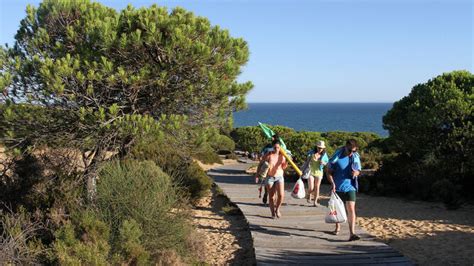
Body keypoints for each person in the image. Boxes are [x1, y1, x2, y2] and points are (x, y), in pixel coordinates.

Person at [326, 139, 362, 241]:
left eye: (354, 151)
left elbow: (358, 170)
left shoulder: (355, 157)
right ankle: (337, 227)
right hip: (337, 187)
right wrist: (332, 183)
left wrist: (356, 173)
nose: (351, 153)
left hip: (350, 187)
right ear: (345, 147)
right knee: (337, 209)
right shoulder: (337, 157)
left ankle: (352, 233)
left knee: (351, 209)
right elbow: (328, 172)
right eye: (350, 150)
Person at [263, 139, 288, 218]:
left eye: (278, 147)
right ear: (272, 147)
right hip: (270, 177)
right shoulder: (269, 154)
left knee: (281, 195)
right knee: (271, 196)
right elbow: (262, 161)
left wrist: (286, 163)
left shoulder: (282, 156)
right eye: (275, 147)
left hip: (279, 176)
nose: (276, 149)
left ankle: (277, 209)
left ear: (280, 147)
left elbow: (283, 167)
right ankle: (272, 212)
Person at [255, 134, 279, 205]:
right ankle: (266, 194)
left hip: (277, 169)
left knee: (276, 186)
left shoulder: (280, 148)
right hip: (268, 168)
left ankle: (273, 201)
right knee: (268, 185)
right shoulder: (268, 148)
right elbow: (261, 155)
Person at [306, 140, 329, 206]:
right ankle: (309, 194)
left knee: (317, 187)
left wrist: (323, 163)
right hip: (311, 171)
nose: (320, 149)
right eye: (319, 147)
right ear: (316, 147)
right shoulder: (311, 153)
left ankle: (315, 202)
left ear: (323, 148)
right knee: (311, 187)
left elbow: (327, 162)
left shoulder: (324, 155)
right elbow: (307, 160)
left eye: (321, 148)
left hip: (319, 172)